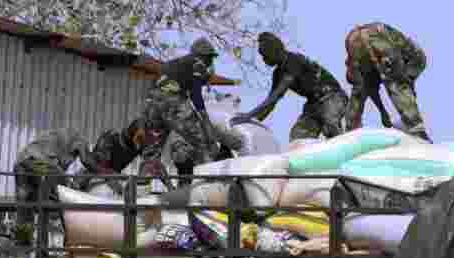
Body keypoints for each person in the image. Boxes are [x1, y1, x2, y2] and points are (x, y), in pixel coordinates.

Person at [233, 32, 349, 142]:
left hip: (333, 97)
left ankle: (346, 153)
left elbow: (277, 94)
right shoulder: (278, 73)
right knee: (298, 137)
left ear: (274, 50)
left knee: (330, 125)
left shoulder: (293, 60)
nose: (264, 60)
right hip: (313, 104)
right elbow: (270, 104)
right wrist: (251, 121)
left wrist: (250, 114)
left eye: (265, 56)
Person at [139, 37, 221, 186]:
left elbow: (157, 88)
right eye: (211, 58)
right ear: (204, 55)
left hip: (151, 104)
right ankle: (212, 179)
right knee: (202, 140)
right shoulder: (197, 63)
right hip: (173, 102)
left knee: (151, 151)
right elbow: (196, 94)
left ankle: (142, 185)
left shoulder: (173, 64)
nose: (211, 62)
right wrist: (206, 123)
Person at [344, 22, 430, 142]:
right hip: (376, 38)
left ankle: (349, 130)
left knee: (361, 89)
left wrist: (383, 113)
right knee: (398, 84)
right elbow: (401, 86)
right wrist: (386, 112)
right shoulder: (416, 59)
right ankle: (417, 132)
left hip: (353, 39)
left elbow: (368, 88)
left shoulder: (367, 68)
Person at [13, 128, 90, 244]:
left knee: (25, 204)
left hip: (23, 161)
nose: (74, 159)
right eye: (75, 154)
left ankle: (23, 244)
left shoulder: (57, 140)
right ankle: (69, 239)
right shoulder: (77, 142)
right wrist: (71, 185)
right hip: (38, 162)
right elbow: (86, 161)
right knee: (56, 199)